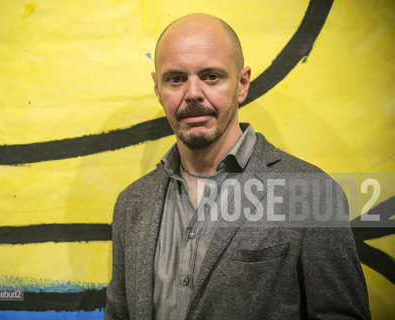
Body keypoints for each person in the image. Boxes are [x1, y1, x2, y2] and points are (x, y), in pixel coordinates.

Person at [105, 13, 371, 320]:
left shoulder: (310, 192)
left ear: (242, 83)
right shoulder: (131, 204)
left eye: (211, 76)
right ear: (158, 89)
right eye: (175, 79)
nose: (192, 93)